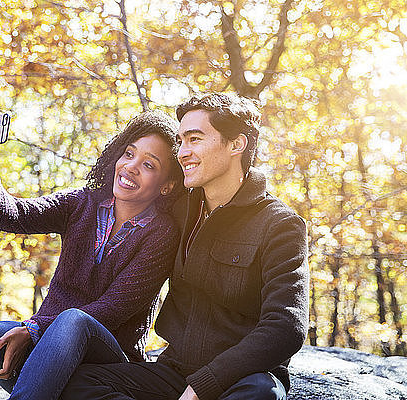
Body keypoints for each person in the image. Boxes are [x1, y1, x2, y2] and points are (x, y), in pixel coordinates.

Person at [0, 110, 185, 400]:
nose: (131, 167)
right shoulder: (81, 204)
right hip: (45, 358)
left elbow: (113, 308)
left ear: (167, 186)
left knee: (74, 319)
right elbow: (13, 215)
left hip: (106, 363)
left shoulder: (162, 234)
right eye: (129, 154)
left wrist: (34, 329)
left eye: (149, 165)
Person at [61, 92, 310, 400]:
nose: (182, 153)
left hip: (242, 378)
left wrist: (205, 383)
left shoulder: (280, 224)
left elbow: (287, 327)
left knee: (261, 394)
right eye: (181, 141)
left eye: (194, 139)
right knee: (71, 380)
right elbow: (123, 204)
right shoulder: (178, 209)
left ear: (236, 144)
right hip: (173, 372)